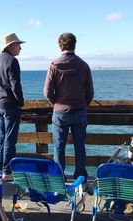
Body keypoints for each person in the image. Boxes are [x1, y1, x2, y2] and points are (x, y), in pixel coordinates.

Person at [44, 32, 94, 182]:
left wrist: (55, 102)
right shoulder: (84, 66)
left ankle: (59, 178)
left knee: (59, 147)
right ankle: (80, 177)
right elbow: (90, 92)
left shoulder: (54, 65)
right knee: (80, 147)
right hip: (79, 111)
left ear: (60, 46)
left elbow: (47, 91)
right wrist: (83, 103)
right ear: (74, 45)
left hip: (60, 112)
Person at [0, 33, 25, 180]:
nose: (20, 48)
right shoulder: (12, 61)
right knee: (10, 140)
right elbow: (15, 85)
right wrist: (21, 102)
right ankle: (7, 171)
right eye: (18, 45)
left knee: (2, 138)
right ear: (11, 46)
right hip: (10, 105)